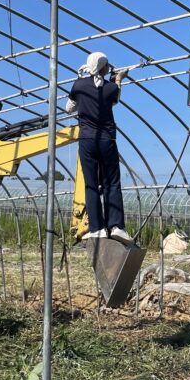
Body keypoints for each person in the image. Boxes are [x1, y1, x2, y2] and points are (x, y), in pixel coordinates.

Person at [66, 52, 131, 242]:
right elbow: (115, 98)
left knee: (91, 185)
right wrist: (118, 78)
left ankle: (97, 228)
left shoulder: (78, 85)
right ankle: (116, 226)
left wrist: (83, 102)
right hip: (107, 140)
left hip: (87, 140)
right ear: (103, 68)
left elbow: (68, 108)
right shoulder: (111, 87)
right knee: (112, 183)